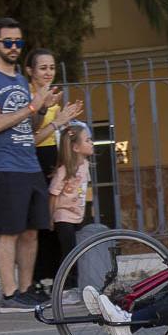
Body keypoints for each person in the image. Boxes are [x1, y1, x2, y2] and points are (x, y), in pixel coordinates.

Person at [0, 17, 62, 313]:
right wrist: (34, 105)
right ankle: (10, 295)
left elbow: (30, 122)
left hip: (29, 163)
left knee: (31, 231)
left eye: (18, 43)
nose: (13, 47)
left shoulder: (22, 82)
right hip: (5, 165)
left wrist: (45, 108)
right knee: (9, 231)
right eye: (8, 42)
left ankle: (26, 290)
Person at [26, 49, 84, 294]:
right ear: (30, 71)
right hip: (34, 159)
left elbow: (54, 132)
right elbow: (31, 138)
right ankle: (38, 277)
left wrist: (66, 126)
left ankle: (55, 276)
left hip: (53, 158)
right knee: (40, 221)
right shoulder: (28, 97)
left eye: (51, 67)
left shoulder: (53, 95)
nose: (48, 72)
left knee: (55, 221)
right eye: (43, 68)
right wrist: (58, 122)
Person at [48, 122, 94, 305]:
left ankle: (75, 286)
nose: (91, 143)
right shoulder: (64, 170)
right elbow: (53, 195)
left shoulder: (85, 165)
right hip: (63, 216)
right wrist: (50, 218)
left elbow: (87, 189)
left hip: (78, 215)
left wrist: (89, 210)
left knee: (77, 251)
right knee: (68, 253)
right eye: (87, 140)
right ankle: (65, 288)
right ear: (75, 147)